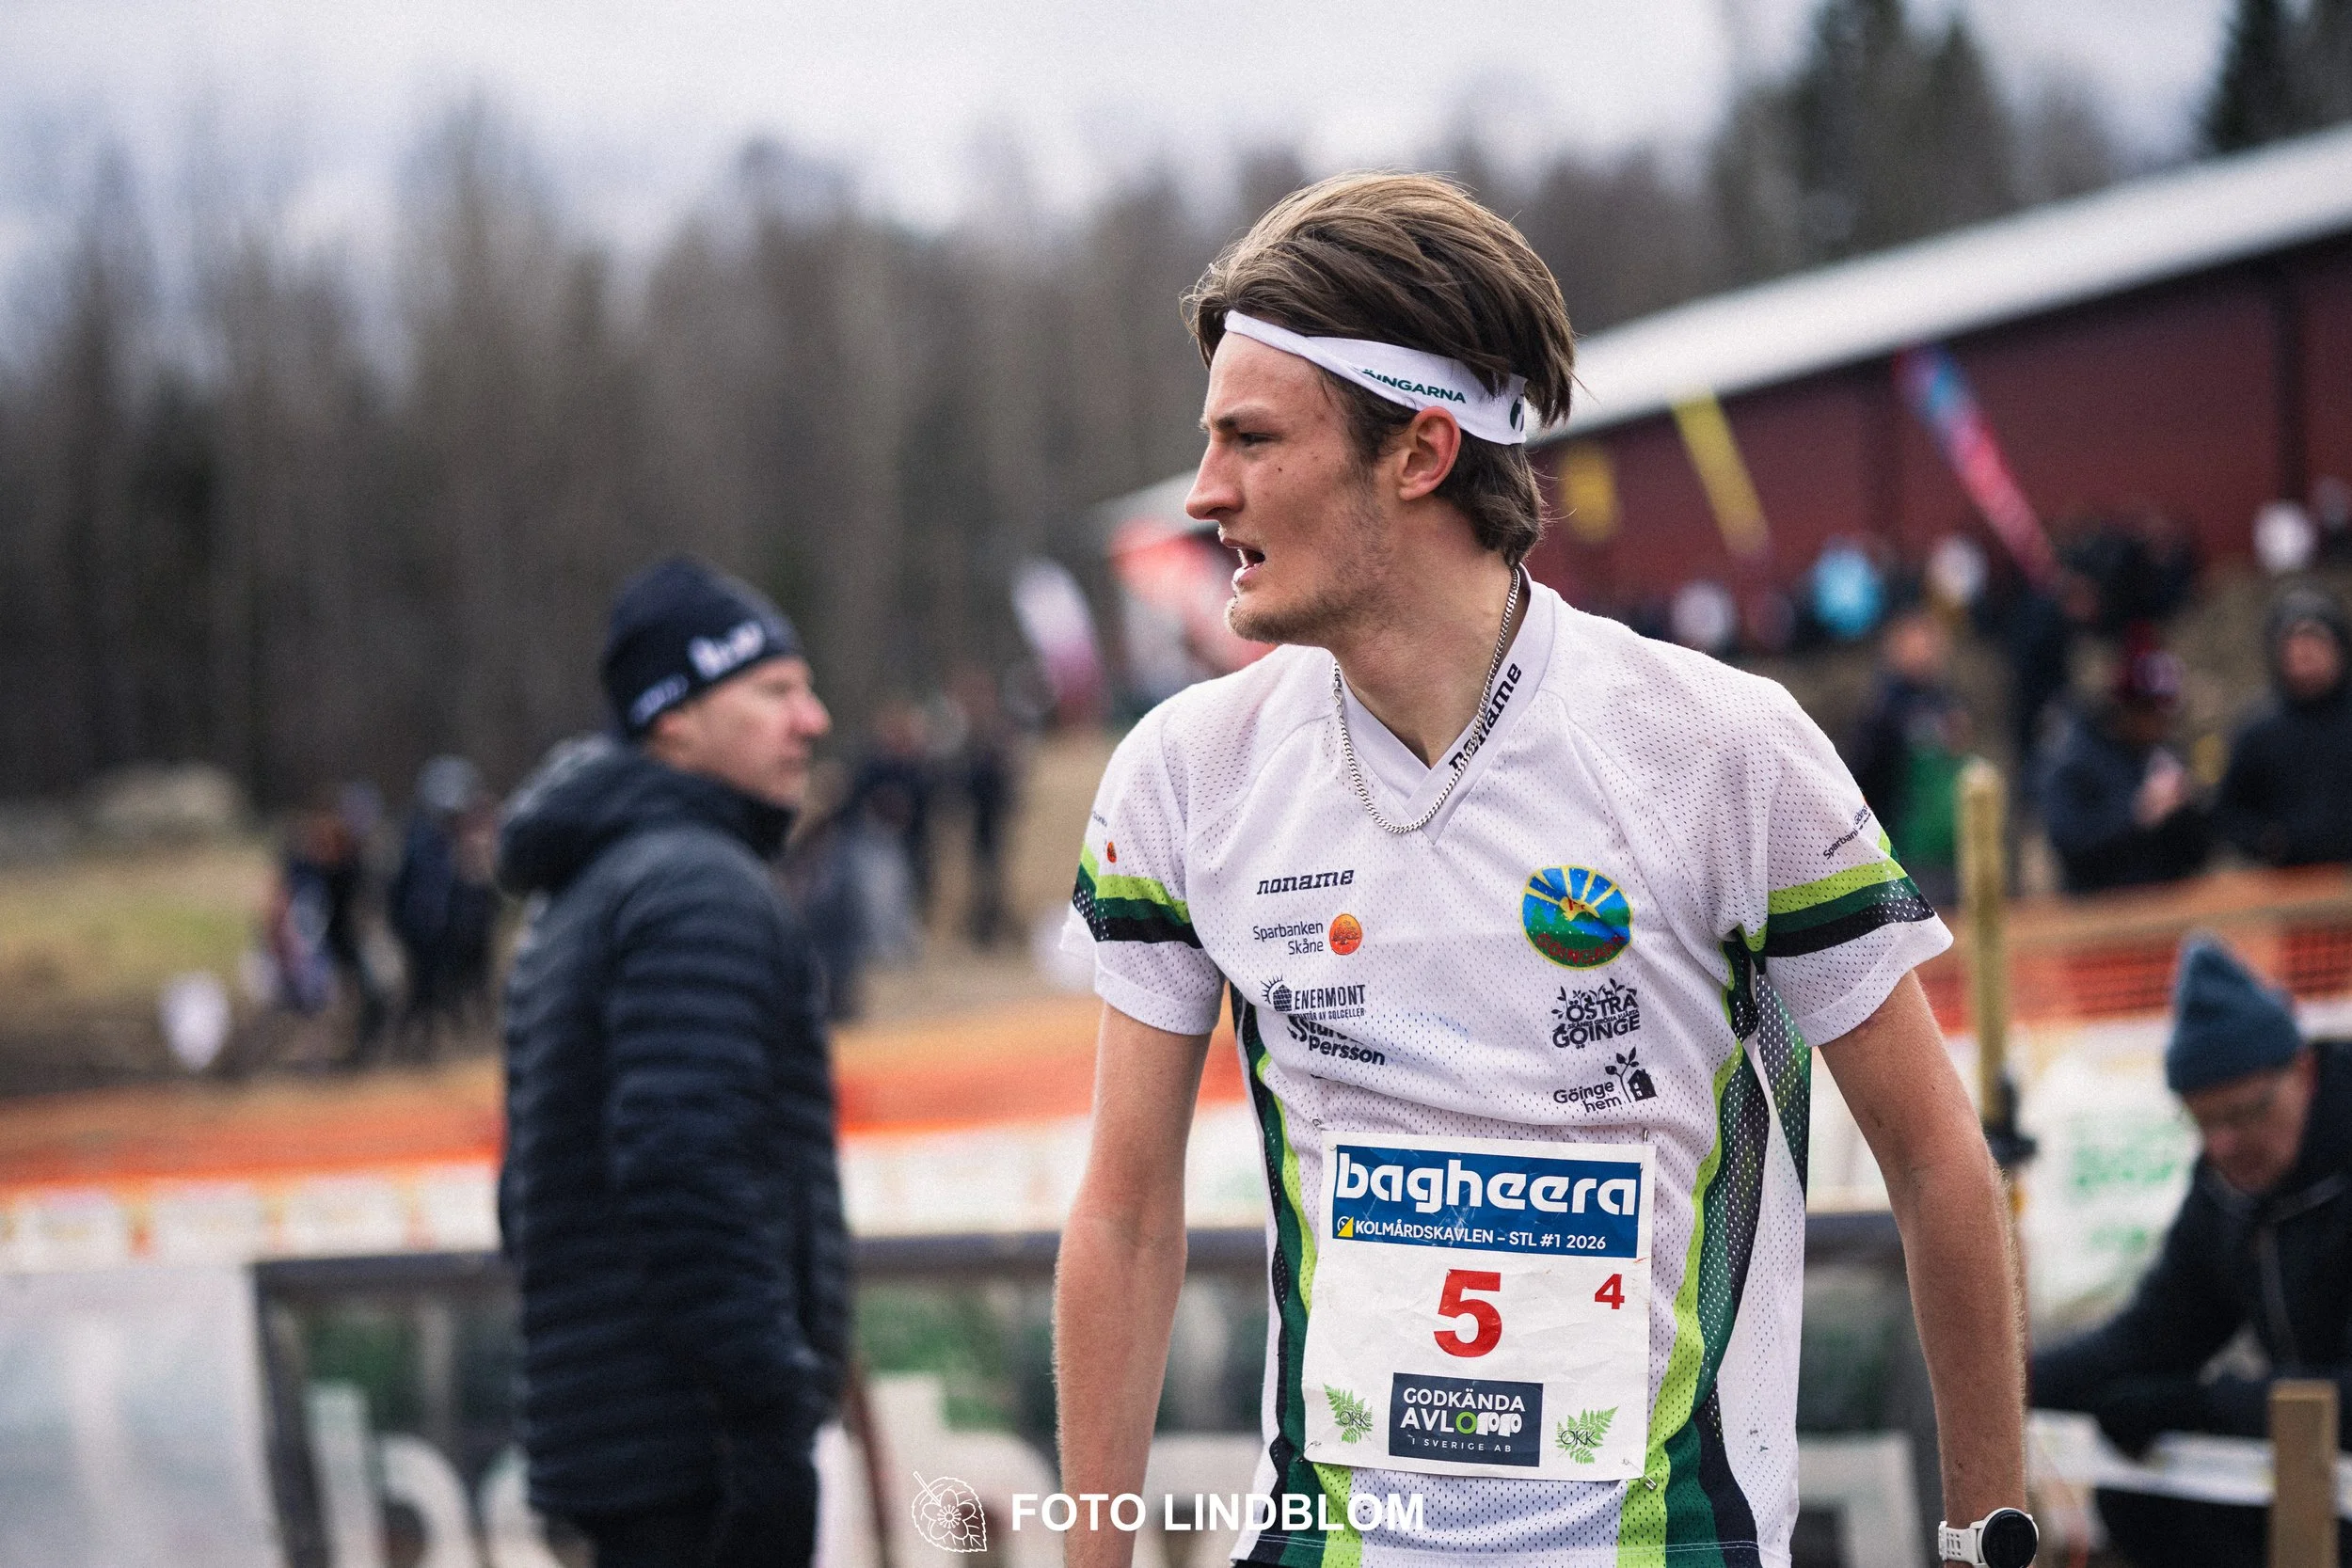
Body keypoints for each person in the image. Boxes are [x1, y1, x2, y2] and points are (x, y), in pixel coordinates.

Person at [1055, 175, 2032, 1568]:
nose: (1208, 492)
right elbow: (1127, 1210)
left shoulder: (1718, 746)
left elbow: (1938, 1161)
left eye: (1252, 439)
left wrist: (1984, 1535)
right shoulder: (1184, 773)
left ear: (1421, 450)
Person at [497, 557, 848, 1568]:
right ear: (673, 722)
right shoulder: (697, 886)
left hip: (609, 1445)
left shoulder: (588, 886)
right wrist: (767, 1416)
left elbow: (527, 1193)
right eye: (774, 691)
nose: (811, 718)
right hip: (693, 1457)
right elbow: (683, 1166)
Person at [2031, 935, 2352, 1568]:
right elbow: (2153, 1334)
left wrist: (2205, 1405)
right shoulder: (2226, 1187)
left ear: (2304, 1071)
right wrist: (2010, 1379)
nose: (2226, 1143)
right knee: (2139, 1497)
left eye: (2245, 1113)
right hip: (2317, 1471)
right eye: (2204, 1122)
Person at [2041, 635, 2211, 894]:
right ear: (2127, 709)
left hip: (2165, 907)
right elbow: (2069, 844)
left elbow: (2196, 854)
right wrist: (2137, 814)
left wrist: (2187, 809)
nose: (2162, 726)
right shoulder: (2075, 758)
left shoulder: (2166, 755)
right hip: (2099, 912)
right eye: (2151, 713)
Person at [2217, 586, 2352, 868]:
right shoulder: (2258, 730)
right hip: (2289, 882)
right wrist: (2267, 841)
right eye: (2295, 643)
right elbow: (2228, 812)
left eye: (2316, 641)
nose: (2306, 653)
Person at [1846, 606, 1971, 907]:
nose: (1925, 653)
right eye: (1916, 644)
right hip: (1908, 848)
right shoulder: (1882, 710)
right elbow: (1862, 774)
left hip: (1952, 846)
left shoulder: (1948, 701)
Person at [389, 755, 500, 1045]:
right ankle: (412, 1046)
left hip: (461, 936)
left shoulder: (470, 841)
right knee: (423, 994)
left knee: (469, 990)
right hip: (424, 935)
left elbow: (487, 894)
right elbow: (401, 892)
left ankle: (468, 1043)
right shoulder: (419, 842)